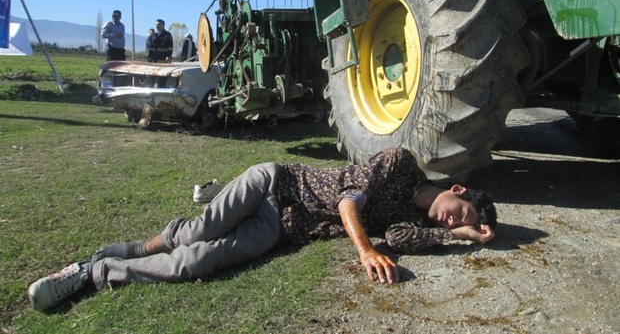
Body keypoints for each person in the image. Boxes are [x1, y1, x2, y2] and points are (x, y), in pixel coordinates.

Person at [28, 148, 496, 312]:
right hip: (272, 182)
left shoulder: (412, 223)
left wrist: (464, 238)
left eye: (461, 223)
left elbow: (399, 241)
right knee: (195, 234)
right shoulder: (400, 163)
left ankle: (96, 273)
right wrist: (364, 251)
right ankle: (129, 247)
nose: (453, 219)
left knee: (199, 262)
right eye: (461, 212)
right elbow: (348, 201)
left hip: (283, 227)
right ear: (457, 189)